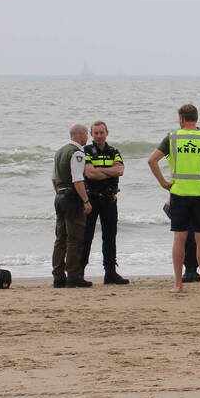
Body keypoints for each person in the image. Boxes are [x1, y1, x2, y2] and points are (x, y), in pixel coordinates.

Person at [147, 104, 200, 293]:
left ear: (181, 119)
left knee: (179, 238)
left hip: (179, 192)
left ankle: (178, 284)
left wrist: (163, 182)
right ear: (196, 118)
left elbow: (152, 160)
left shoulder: (172, 137)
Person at [81, 121, 129, 285]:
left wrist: (99, 170)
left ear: (107, 133)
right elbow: (89, 173)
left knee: (110, 236)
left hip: (110, 199)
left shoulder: (113, 151)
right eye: (96, 133)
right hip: (91, 199)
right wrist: (109, 171)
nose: (99, 136)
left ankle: (110, 273)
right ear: (91, 134)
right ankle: (79, 272)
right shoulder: (86, 150)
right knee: (86, 236)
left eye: (102, 132)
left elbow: (120, 170)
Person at [52, 124, 93, 288]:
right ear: (80, 135)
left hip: (59, 196)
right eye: (86, 134)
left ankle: (58, 276)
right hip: (72, 198)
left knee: (60, 238)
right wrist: (86, 200)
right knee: (74, 238)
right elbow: (77, 179)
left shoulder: (60, 152)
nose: (87, 137)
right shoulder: (77, 153)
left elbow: (54, 178)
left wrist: (59, 193)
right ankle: (73, 276)